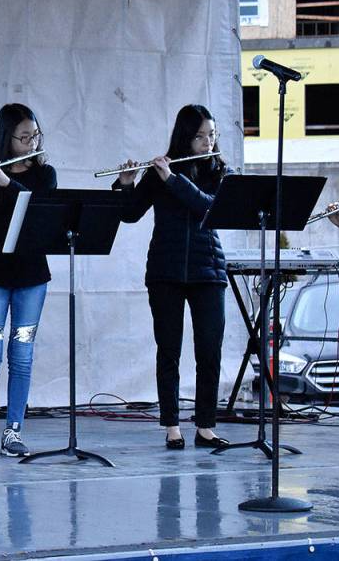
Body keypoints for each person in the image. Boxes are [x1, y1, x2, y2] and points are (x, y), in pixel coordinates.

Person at [114, 104, 231, 450]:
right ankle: (172, 426)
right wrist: (125, 185)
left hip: (208, 269)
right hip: (165, 271)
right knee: (169, 349)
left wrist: (173, 181)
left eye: (212, 135)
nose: (208, 142)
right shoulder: (160, 171)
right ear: (185, 137)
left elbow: (209, 207)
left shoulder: (219, 171)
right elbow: (130, 214)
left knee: (209, 349)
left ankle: (206, 426)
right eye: (200, 136)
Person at [0, 103, 55, 458]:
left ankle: (13, 430)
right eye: (24, 137)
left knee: (21, 355)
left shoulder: (45, 174)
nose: (31, 142)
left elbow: (37, 209)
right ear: (7, 138)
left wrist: (8, 184)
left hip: (31, 276)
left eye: (35, 135)